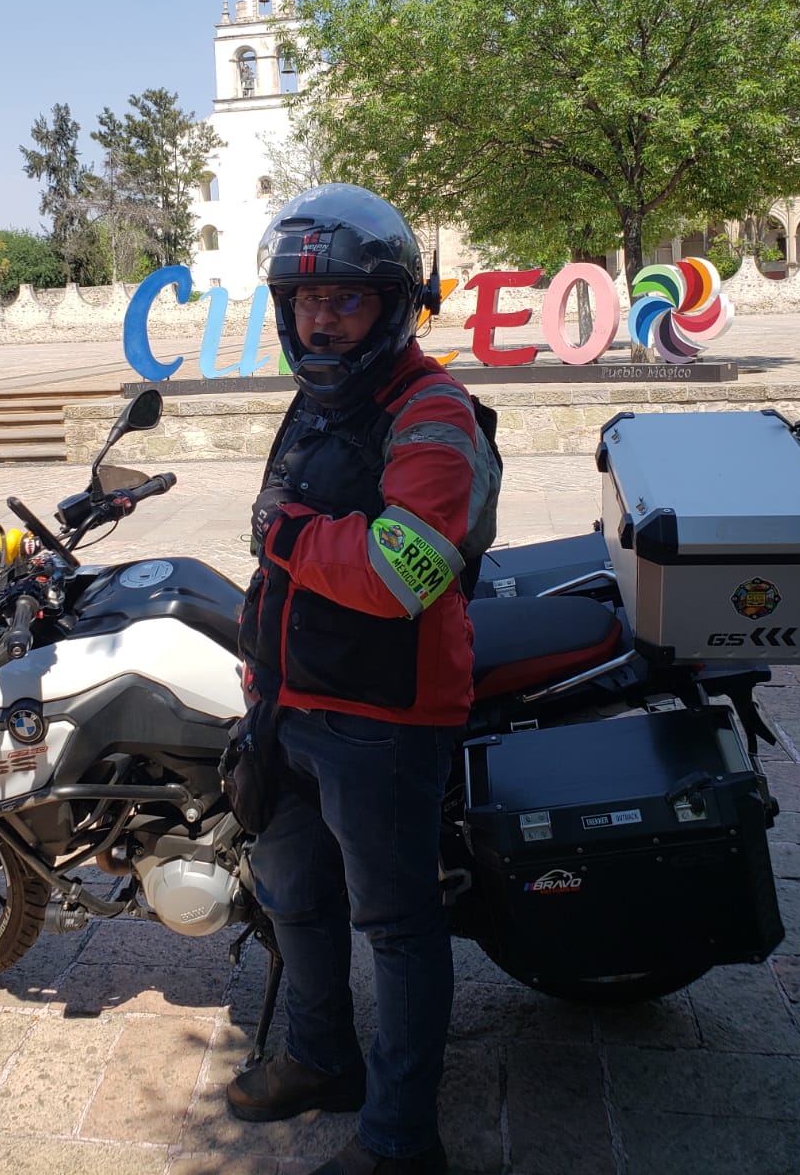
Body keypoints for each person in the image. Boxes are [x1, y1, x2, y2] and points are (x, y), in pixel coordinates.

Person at [228, 184, 501, 1175]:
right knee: (293, 894)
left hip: (384, 719)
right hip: (291, 701)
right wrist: (262, 677)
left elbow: (403, 571)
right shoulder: (318, 399)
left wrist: (289, 536)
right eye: (305, 300)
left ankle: (399, 1140)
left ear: (393, 305)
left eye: (345, 298)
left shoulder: (432, 411)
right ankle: (319, 1057)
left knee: (395, 926)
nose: (321, 320)